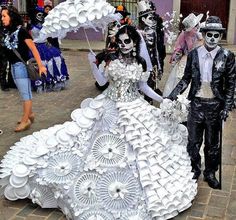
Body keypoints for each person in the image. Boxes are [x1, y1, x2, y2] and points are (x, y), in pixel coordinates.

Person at [0, 25, 197, 220]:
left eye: (126, 41)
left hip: (135, 107)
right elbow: (102, 82)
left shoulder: (140, 62)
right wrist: (93, 64)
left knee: (141, 146)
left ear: (134, 42)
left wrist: (163, 100)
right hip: (109, 107)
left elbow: (143, 87)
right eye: (119, 41)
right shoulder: (110, 59)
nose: (122, 44)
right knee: (93, 144)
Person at [168, 16, 236, 189]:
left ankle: (210, 172)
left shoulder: (227, 56)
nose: (212, 38)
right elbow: (186, 78)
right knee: (193, 141)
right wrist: (172, 95)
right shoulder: (193, 55)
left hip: (215, 106)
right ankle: (194, 169)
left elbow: (231, 84)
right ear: (204, 34)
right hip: (196, 104)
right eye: (209, 35)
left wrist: (227, 107)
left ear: (220, 37)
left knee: (213, 143)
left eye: (216, 35)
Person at [1, 5, 46, 132]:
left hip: (21, 67)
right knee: (23, 92)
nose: (2, 19)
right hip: (13, 67)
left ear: (12, 16)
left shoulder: (22, 31)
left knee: (26, 95)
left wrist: (41, 66)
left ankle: (25, 121)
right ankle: (30, 114)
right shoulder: (8, 31)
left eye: (4, 16)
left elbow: (33, 49)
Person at [28, 2, 69, 92]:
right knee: (36, 63)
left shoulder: (46, 24)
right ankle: (39, 82)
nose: (40, 16)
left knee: (54, 59)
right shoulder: (31, 26)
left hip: (45, 45)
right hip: (36, 47)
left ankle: (51, 81)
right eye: (39, 14)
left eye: (42, 14)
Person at [163, 13, 203, 97]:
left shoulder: (201, 33)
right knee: (183, 80)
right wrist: (175, 60)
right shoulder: (184, 35)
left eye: (197, 25)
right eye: (194, 27)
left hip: (200, 62)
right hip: (186, 61)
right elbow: (178, 49)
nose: (196, 28)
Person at [137, 0, 163, 103]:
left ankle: (148, 104)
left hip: (151, 64)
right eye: (150, 18)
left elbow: (156, 50)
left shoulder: (154, 32)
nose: (153, 21)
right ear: (143, 19)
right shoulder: (136, 32)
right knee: (139, 87)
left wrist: (159, 66)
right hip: (139, 65)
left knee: (150, 85)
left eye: (153, 18)